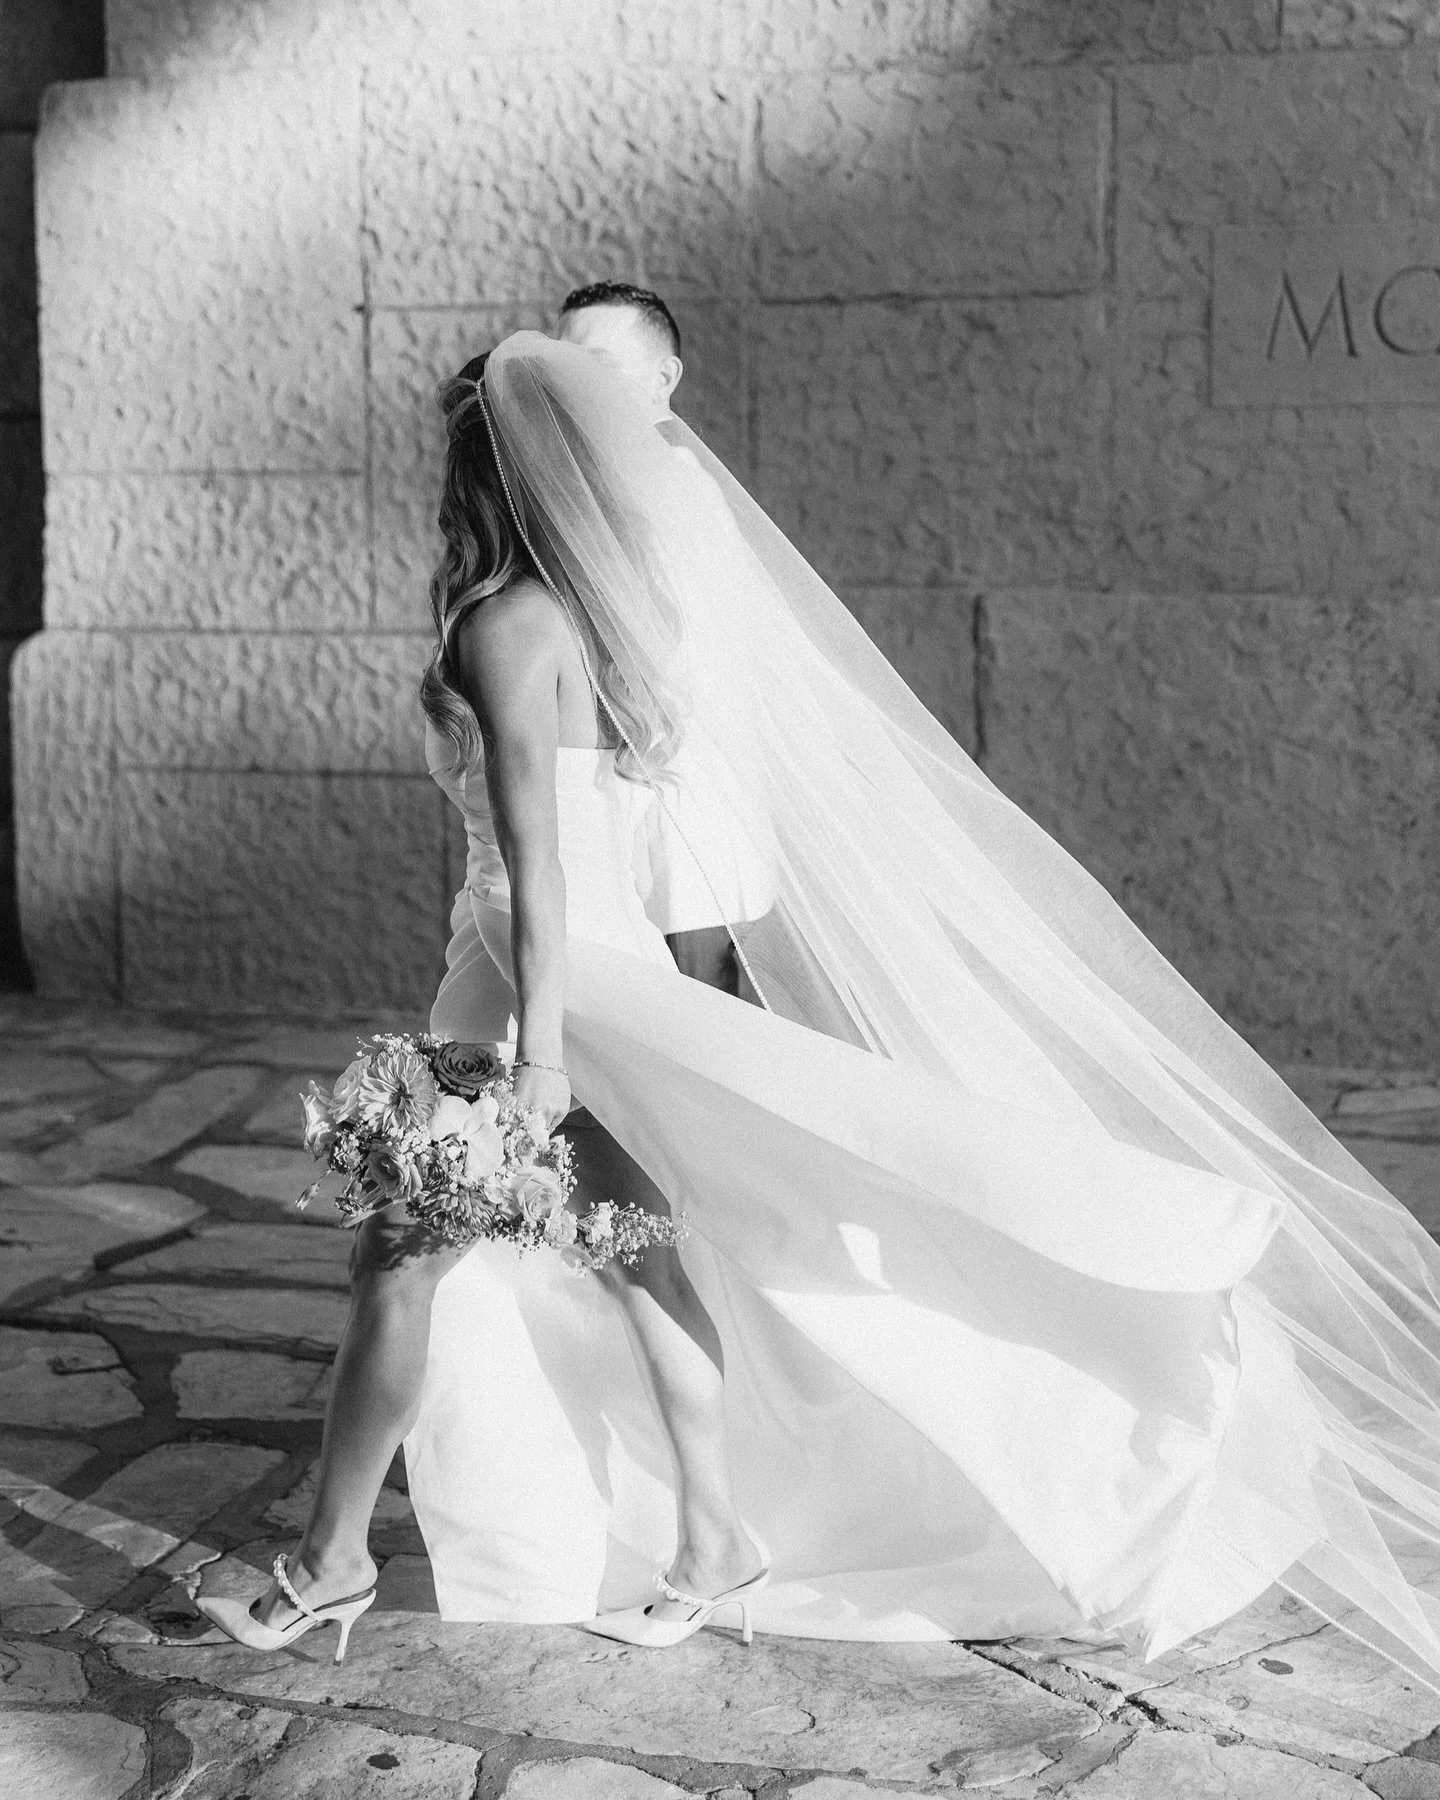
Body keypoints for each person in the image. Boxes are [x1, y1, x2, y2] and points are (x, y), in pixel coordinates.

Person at [200, 330, 1440, 1692]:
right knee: (636, 1256)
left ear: (483, 476)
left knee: (400, 1262)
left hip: (519, 997)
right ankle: (714, 1539)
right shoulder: (585, 617)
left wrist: (536, 1057)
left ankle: (330, 1567)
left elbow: (538, 875)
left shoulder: (502, 627)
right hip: (585, 985)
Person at [555, 281, 766, 1001]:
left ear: (663, 377)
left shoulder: (671, 484)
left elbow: (681, 650)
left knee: (696, 991)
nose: (575, 384)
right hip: (642, 773)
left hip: (682, 784)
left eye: (598, 364)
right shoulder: (613, 481)